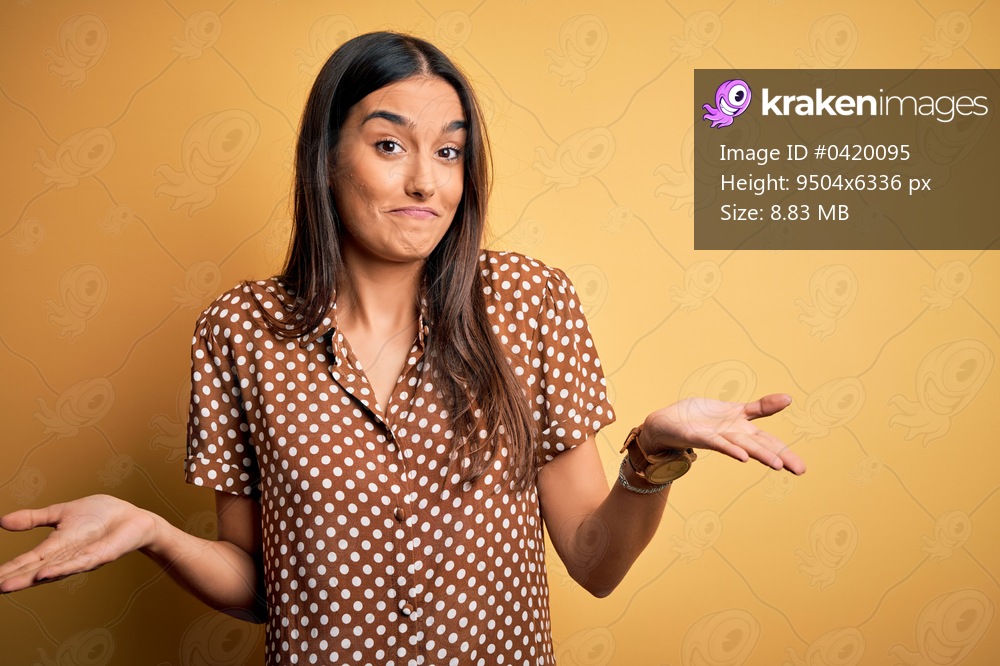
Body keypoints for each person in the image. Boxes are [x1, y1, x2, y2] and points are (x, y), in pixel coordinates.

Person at [0, 32, 805, 665]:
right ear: (325, 159)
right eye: (390, 145)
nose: (427, 181)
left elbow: (594, 562)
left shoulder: (530, 305)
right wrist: (152, 532)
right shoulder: (237, 331)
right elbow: (261, 586)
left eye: (449, 151)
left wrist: (652, 456)